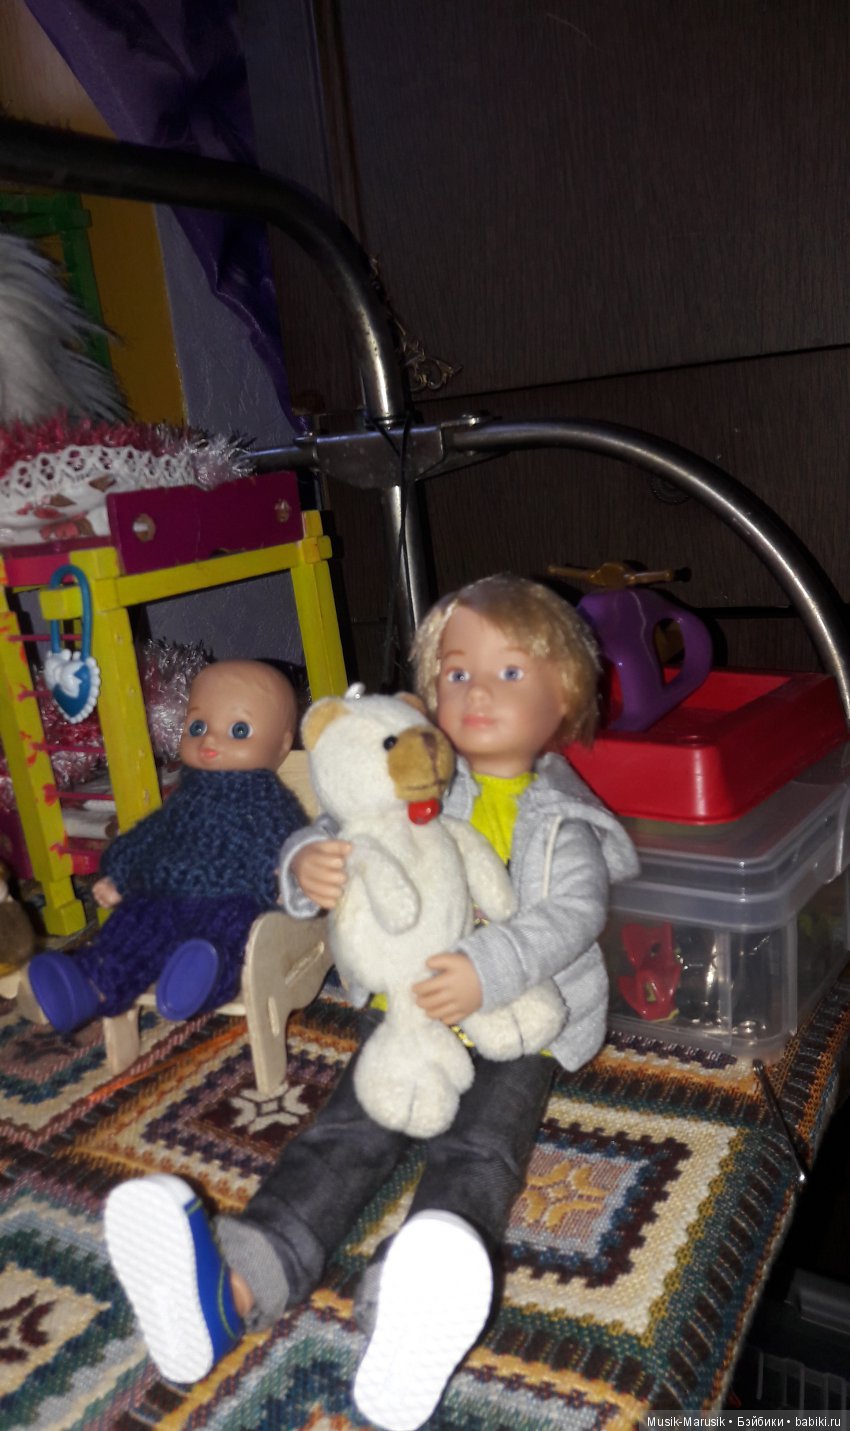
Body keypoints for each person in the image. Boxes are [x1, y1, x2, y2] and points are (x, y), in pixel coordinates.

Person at [103, 576, 639, 1431]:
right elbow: (342, 820)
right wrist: (305, 865)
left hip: (516, 1026)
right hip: (403, 1015)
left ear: (565, 698)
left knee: (479, 1151)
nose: (476, 691)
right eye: (456, 673)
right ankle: (233, 1285)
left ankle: (409, 1307)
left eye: (508, 673)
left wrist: (486, 967)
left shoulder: (563, 819)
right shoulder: (415, 770)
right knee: (343, 1132)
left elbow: (573, 915)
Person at [28, 660, 305, 1032]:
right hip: (163, 889)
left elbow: (291, 844)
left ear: (282, 744)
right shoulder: (185, 797)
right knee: (133, 923)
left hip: (234, 893)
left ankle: (202, 977)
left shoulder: (270, 803)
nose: (209, 740)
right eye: (198, 726)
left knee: (224, 931)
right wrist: (119, 874)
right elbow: (150, 834)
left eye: (238, 730)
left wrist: (288, 876)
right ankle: (89, 984)